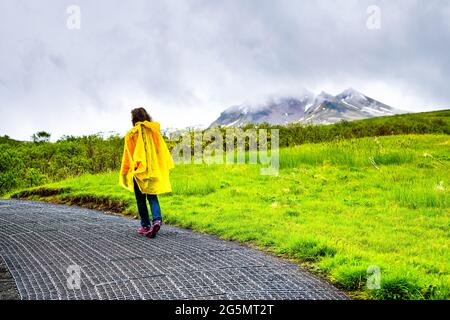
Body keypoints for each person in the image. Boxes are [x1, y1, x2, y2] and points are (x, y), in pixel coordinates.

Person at [119, 107, 174, 238]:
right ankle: (157, 220)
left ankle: (145, 225)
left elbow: (128, 155)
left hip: (138, 173)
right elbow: (160, 150)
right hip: (152, 171)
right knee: (152, 197)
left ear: (134, 119)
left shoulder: (131, 134)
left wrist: (125, 172)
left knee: (140, 200)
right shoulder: (153, 131)